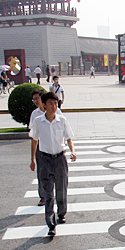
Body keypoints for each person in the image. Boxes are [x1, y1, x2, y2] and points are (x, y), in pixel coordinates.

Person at [29, 92, 77, 237]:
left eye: (55, 103)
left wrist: (72, 151)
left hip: (60, 159)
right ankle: (50, 224)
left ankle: (61, 213)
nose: (54, 106)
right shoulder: (38, 121)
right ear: (44, 105)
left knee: (61, 190)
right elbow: (34, 140)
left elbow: (69, 138)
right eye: (50, 103)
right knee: (49, 194)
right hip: (45, 160)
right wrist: (32, 159)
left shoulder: (62, 120)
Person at [29, 89, 62, 207]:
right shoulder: (35, 114)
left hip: (55, 148)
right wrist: (32, 158)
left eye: (38, 98)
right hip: (41, 149)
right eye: (34, 99)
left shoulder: (56, 111)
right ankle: (43, 196)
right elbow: (33, 137)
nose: (36, 101)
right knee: (42, 173)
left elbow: (62, 127)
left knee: (58, 175)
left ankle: (57, 198)